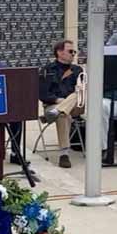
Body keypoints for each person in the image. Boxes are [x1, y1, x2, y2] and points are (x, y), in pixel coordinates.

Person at [39, 40, 84, 168]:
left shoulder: (77, 70)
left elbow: (82, 92)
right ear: (59, 52)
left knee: (79, 93)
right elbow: (42, 94)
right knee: (64, 115)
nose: (73, 54)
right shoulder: (47, 70)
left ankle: (57, 111)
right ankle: (64, 154)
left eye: (74, 52)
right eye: (70, 51)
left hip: (75, 106)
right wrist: (58, 101)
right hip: (52, 104)